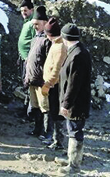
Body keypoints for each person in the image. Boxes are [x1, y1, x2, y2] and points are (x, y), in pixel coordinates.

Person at [57, 23, 92, 172]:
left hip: (76, 103)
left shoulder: (77, 55)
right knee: (72, 129)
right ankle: (71, 159)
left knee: (75, 131)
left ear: (65, 38)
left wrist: (66, 104)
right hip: (75, 101)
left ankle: (74, 165)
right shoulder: (77, 51)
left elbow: (73, 84)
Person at [24, 5, 52, 138]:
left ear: (45, 23)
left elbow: (49, 62)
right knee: (35, 106)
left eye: (37, 24)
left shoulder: (47, 40)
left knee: (45, 107)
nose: (35, 26)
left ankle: (47, 133)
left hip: (41, 80)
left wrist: (47, 80)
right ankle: (37, 129)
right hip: (32, 79)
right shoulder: (35, 39)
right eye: (34, 24)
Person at [41, 18, 68, 150]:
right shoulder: (56, 44)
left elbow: (57, 69)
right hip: (53, 85)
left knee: (57, 113)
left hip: (55, 86)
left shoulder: (60, 47)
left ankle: (58, 141)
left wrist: (49, 83)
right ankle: (54, 139)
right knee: (53, 111)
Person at [17, 0, 35, 116]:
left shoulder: (33, 23)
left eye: (26, 10)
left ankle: (29, 112)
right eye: (22, 10)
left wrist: (30, 58)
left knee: (29, 85)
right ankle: (26, 108)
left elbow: (36, 41)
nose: (23, 13)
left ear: (32, 10)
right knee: (25, 83)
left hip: (29, 59)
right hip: (24, 58)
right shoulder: (26, 22)